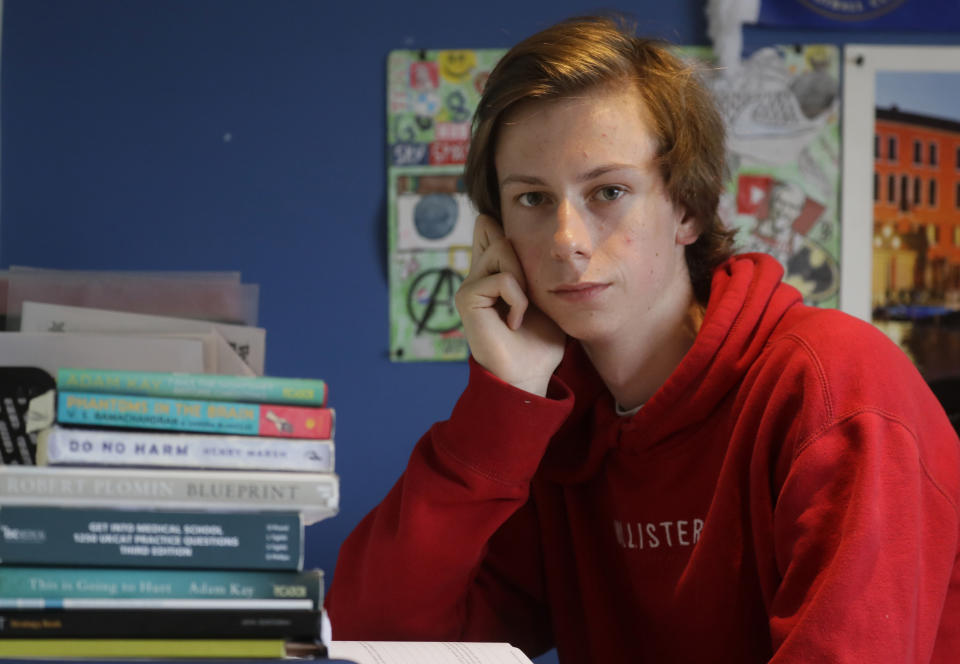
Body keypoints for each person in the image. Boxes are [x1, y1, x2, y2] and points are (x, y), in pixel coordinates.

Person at [326, 15, 960, 663]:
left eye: (608, 191)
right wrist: (500, 406)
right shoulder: (555, 427)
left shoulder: (832, 385)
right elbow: (371, 635)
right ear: (494, 234)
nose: (566, 240)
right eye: (532, 200)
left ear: (687, 208)